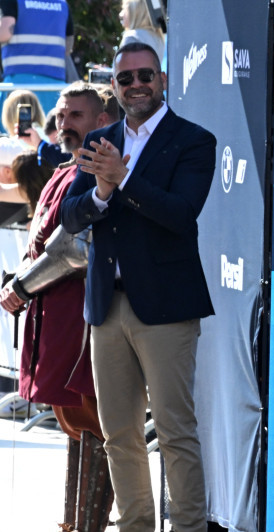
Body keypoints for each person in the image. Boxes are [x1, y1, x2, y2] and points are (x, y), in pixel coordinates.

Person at [59, 42, 217, 532]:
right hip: (107, 307)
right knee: (118, 434)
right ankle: (135, 526)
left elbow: (180, 213)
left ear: (163, 79)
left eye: (145, 75)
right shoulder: (101, 139)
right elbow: (69, 214)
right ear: (115, 87)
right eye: (125, 79)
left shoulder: (192, 140)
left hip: (167, 309)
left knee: (174, 433)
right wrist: (102, 193)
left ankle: (188, 527)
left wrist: (122, 179)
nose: (136, 85)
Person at [0, 80, 118, 532]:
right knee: (75, 425)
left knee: (92, 423)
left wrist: (23, 287)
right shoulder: (66, 169)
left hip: (83, 316)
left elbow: (76, 248)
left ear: (102, 121)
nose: (64, 124)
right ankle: (72, 524)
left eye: (76, 116)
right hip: (54, 315)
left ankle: (87, 526)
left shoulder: (95, 170)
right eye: (62, 115)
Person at [0, 0, 74, 112]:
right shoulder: (62, 4)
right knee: (51, 127)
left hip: (18, 84)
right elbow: (68, 46)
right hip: (54, 86)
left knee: (15, 127)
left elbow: (6, 33)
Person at [118, 0, 165, 70]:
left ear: (135, 12)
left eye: (124, 9)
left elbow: (122, 72)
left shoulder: (131, 37)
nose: (121, 14)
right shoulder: (158, 37)